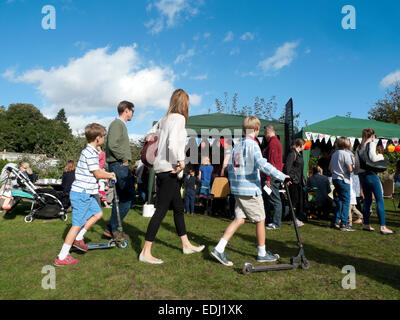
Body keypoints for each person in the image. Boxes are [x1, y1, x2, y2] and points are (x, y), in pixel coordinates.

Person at [210, 116, 290, 267]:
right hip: (250, 190)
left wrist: (234, 186)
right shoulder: (253, 146)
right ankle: (262, 253)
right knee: (261, 219)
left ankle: (219, 248)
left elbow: (232, 168)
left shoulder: (237, 145)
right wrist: (281, 176)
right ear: (257, 129)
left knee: (239, 219)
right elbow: (263, 165)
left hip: (238, 189)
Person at [139, 89, 205, 264]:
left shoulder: (164, 119)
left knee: (178, 207)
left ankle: (186, 244)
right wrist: (181, 161)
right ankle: (146, 251)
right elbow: (172, 143)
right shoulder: (179, 119)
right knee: (160, 210)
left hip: (161, 168)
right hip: (171, 169)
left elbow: (148, 136)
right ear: (184, 103)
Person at [53, 123, 116, 266]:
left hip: (87, 193)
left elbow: (96, 173)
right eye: (103, 137)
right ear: (98, 138)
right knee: (76, 225)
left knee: (98, 214)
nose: (104, 140)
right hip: (81, 194)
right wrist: (110, 175)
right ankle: (62, 257)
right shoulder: (89, 153)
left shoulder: (92, 152)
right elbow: (98, 173)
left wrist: (106, 175)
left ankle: (79, 238)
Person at [103, 101, 136, 240]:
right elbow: (112, 145)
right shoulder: (117, 124)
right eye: (132, 111)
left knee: (124, 198)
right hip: (118, 165)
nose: (133, 114)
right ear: (126, 110)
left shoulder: (120, 124)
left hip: (119, 165)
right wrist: (123, 159)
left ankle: (111, 228)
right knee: (128, 198)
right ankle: (114, 229)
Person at [355, 128, 395, 235]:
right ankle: (383, 227)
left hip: (362, 175)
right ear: (372, 136)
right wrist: (381, 156)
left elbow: (357, 164)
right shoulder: (371, 144)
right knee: (379, 200)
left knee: (367, 200)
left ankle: (366, 224)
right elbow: (373, 158)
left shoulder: (358, 147)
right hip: (371, 175)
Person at [329, 137, 355, 231]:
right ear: (346, 144)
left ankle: (335, 220)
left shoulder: (334, 154)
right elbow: (350, 169)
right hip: (343, 179)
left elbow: (330, 167)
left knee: (339, 200)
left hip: (335, 178)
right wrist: (355, 166)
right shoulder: (346, 154)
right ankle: (344, 223)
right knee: (346, 201)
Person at [261, 125, 284, 230]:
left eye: (265, 133)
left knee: (275, 200)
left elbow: (272, 163)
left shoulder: (273, 143)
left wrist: (268, 179)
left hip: (272, 176)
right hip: (272, 175)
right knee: (270, 199)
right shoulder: (273, 143)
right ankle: (270, 220)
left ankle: (276, 222)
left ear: (268, 132)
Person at [284, 138, 306, 226]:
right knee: (293, 201)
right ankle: (293, 219)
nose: (304, 147)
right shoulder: (292, 154)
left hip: (298, 181)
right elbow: (287, 168)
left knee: (297, 201)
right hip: (293, 181)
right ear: (300, 145)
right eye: (304, 145)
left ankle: (295, 218)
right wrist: (289, 179)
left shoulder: (299, 154)